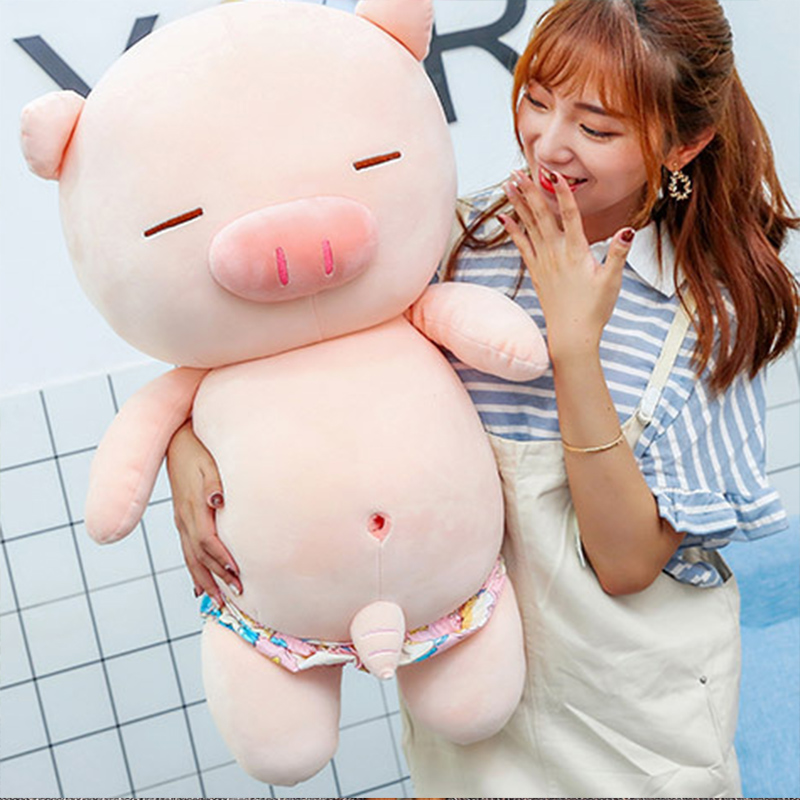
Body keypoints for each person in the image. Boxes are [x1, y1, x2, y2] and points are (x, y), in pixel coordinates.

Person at [166, 0, 799, 795]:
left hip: (631, 734)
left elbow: (627, 563)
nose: (549, 142)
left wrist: (574, 346)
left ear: (684, 143)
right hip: (469, 707)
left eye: (596, 128)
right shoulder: (458, 240)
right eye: (537, 99)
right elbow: (305, 351)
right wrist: (185, 441)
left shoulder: (706, 310)